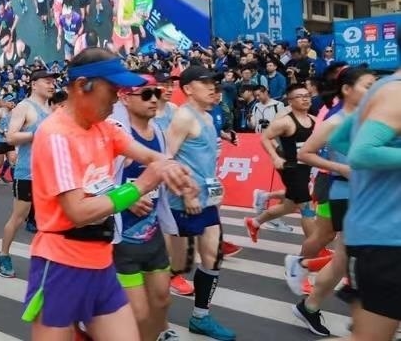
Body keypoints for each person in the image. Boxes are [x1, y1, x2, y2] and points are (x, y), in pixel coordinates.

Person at [21, 48, 191, 341]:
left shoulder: (105, 127)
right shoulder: (55, 135)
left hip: (101, 262)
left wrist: (173, 169)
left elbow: (149, 156)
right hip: (62, 263)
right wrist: (139, 187)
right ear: (82, 85)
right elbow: (77, 211)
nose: (117, 96)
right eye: (112, 88)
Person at [290, 66, 376, 336]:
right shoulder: (336, 121)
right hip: (346, 193)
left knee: (344, 258)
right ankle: (364, 316)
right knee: (357, 257)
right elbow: (305, 153)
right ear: (347, 90)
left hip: (369, 192)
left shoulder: (371, 116)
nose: (373, 90)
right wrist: (340, 168)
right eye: (367, 85)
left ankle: (311, 305)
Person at [165, 65, 235, 340]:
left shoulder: (207, 116)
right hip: (182, 202)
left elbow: (202, 158)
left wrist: (215, 184)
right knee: (174, 266)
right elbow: (166, 159)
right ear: (188, 88)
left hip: (206, 200)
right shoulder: (183, 117)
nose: (212, 88)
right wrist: (186, 191)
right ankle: (149, 314)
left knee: (212, 258)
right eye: (205, 83)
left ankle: (200, 316)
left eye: (213, 83)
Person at [113, 75, 179, 341]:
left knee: (161, 302)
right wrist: (127, 196)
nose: (154, 99)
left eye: (156, 93)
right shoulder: (116, 134)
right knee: (138, 313)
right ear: (125, 98)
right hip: (121, 238)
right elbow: (95, 181)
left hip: (152, 235)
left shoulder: (159, 134)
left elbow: (161, 178)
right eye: (146, 94)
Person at [341, 67, 401, 340]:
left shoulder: (381, 90)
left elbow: (340, 138)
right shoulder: (395, 92)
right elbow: (362, 152)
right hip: (386, 239)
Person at [0, 68, 56, 279]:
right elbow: (11, 137)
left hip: (49, 174)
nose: (51, 85)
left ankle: (50, 259)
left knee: (51, 219)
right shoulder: (24, 107)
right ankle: (3, 255)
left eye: (53, 82)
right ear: (34, 84)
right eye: (47, 81)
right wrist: (35, 133)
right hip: (28, 172)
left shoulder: (51, 109)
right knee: (18, 217)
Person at [244, 84, 317, 242]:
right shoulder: (285, 122)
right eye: (299, 96)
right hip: (291, 168)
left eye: (307, 96)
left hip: (306, 168)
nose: (305, 99)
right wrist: (275, 157)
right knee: (307, 207)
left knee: (289, 206)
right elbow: (265, 137)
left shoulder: (314, 120)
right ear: (290, 101)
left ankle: (254, 222)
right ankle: (315, 248)